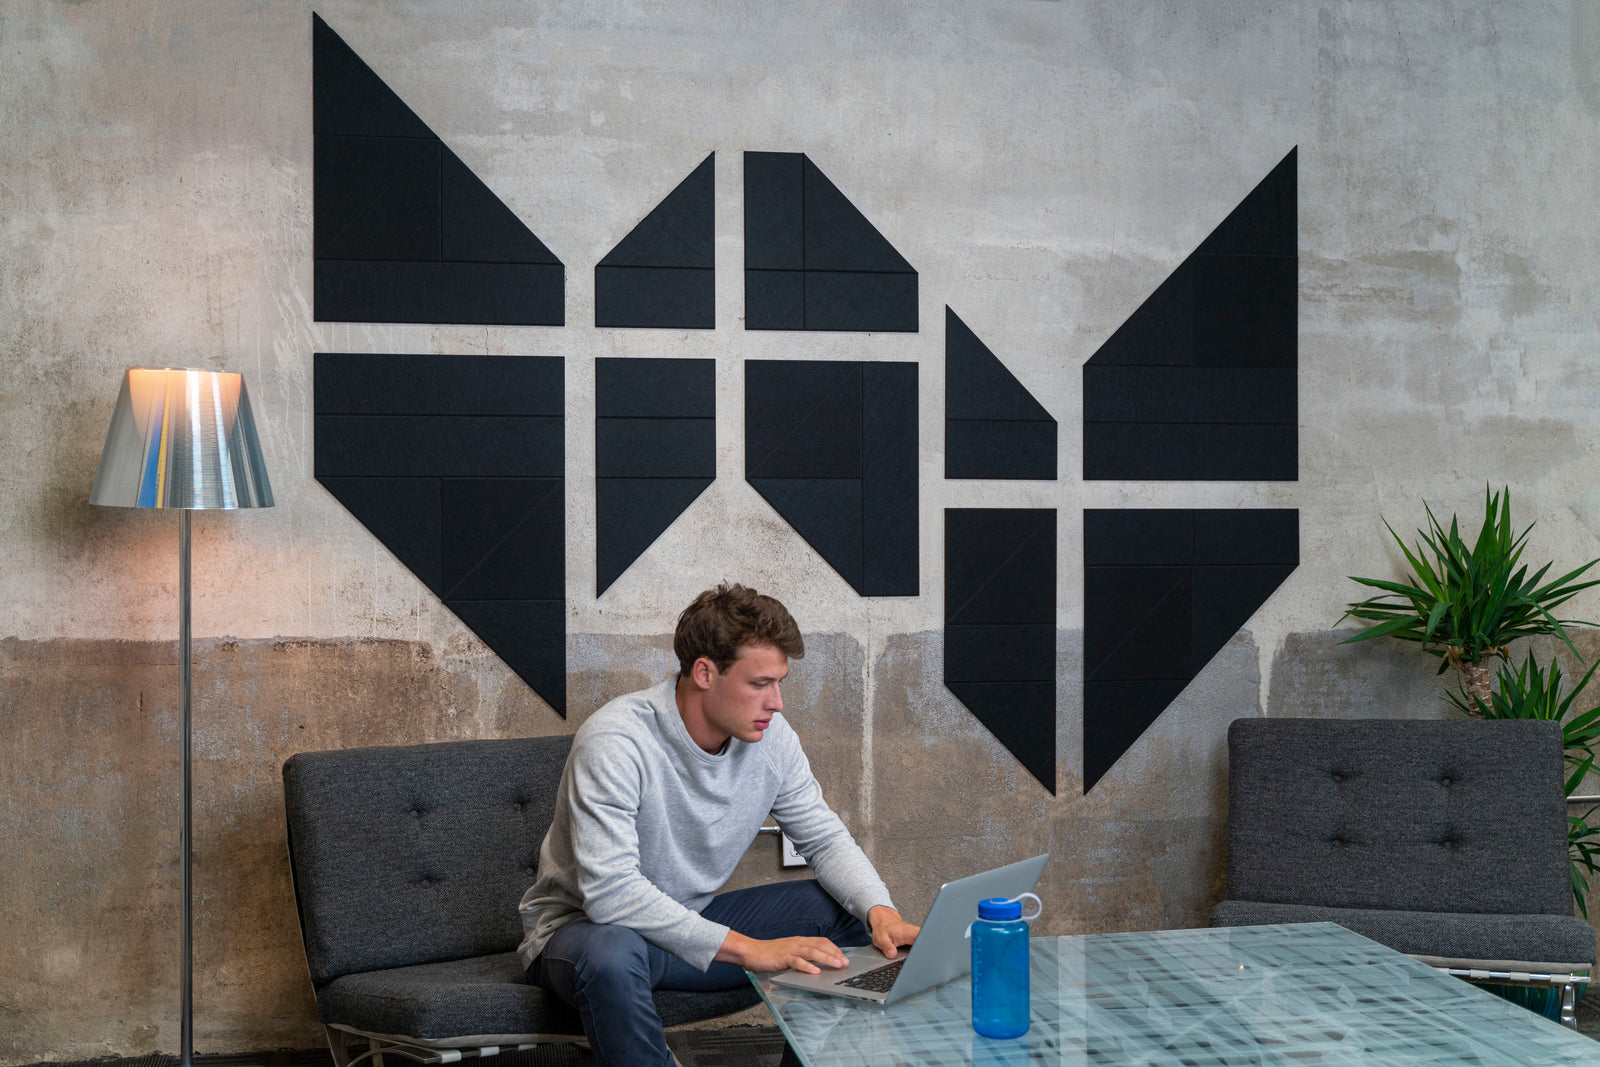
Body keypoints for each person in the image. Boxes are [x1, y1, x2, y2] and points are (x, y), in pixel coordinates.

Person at [518, 582, 919, 1066]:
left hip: (688, 922)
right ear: (704, 672)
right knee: (612, 950)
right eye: (759, 684)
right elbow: (611, 895)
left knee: (850, 913)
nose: (777, 703)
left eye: (779, 683)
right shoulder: (617, 740)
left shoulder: (772, 740)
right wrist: (751, 950)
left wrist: (883, 913)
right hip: (584, 936)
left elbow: (824, 837)